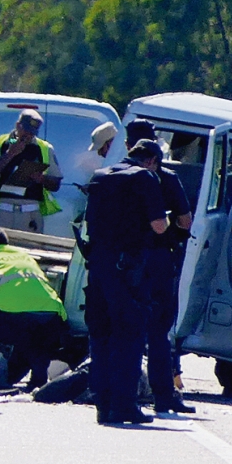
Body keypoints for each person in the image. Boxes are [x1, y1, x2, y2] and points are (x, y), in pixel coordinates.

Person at [84, 139, 168, 424]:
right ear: (152, 160)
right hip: (127, 268)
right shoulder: (145, 178)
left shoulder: (100, 175)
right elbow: (159, 226)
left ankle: (103, 405)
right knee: (129, 336)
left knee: (100, 336)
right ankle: (123, 405)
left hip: (98, 266)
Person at [123, 120, 194, 414]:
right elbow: (185, 221)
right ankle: (163, 395)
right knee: (159, 331)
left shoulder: (117, 175)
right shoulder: (167, 177)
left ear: (128, 146)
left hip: (126, 260)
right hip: (160, 258)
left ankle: (123, 392)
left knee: (126, 327)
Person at [0, 227, 68, 391]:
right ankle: (38, 379)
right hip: (54, 318)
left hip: (18, 319)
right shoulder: (25, 258)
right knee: (34, 335)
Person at [0, 109, 63, 233]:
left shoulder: (43, 148)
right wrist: (10, 154)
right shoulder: (0, 143)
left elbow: (56, 184)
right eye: (26, 130)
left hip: (29, 214)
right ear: (18, 125)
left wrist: (41, 179)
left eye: (32, 132)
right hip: (0, 212)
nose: (28, 135)